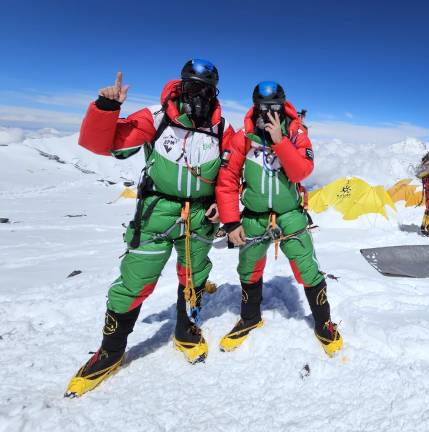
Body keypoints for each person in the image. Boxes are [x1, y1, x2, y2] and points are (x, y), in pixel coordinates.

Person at [65, 59, 233, 397]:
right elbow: (103, 144)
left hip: (200, 216)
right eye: (191, 86)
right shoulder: (157, 117)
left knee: (195, 276)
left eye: (205, 88)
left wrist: (223, 202)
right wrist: (106, 107)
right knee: (134, 280)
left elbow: (231, 172)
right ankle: (110, 353)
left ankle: (186, 331)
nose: (198, 94)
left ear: (215, 92)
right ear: (180, 85)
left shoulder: (221, 128)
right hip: (157, 211)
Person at [215, 82, 343, 357]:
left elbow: (301, 172)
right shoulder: (243, 137)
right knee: (248, 268)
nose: (268, 113)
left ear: (283, 106)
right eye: (263, 108)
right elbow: (226, 180)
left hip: (290, 214)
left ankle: (323, 323)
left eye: (274, 108)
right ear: (254, 106)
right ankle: (250, 317)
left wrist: (279, 140)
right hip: (253, 216)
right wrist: (231, 222)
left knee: (307, 268)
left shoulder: (296, 133)